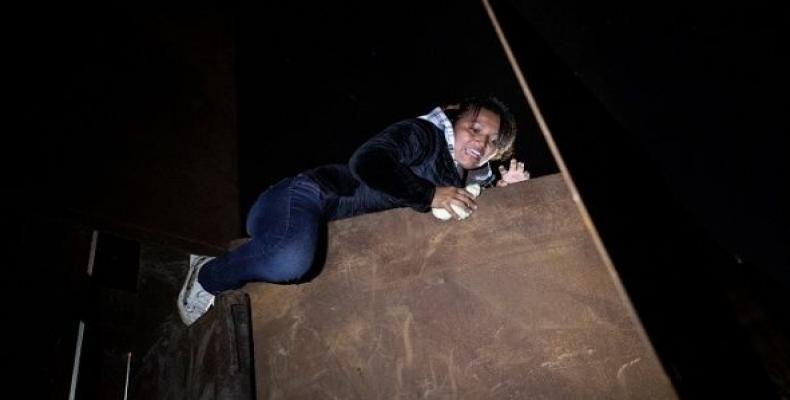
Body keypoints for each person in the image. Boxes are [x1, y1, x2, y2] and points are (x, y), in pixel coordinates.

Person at [177, 96, 531, 325]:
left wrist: (505, 195)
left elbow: (463, 213)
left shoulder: (461, 181)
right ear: (455, 120)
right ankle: (208, 274)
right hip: (303, 198)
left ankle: (262, 255)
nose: (480, 142)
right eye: (475, 128)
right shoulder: (424, 136)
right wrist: (427, 195)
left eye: (491, 141)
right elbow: (368, 162)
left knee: (301, 264)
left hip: (315, 236)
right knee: (291, 261)